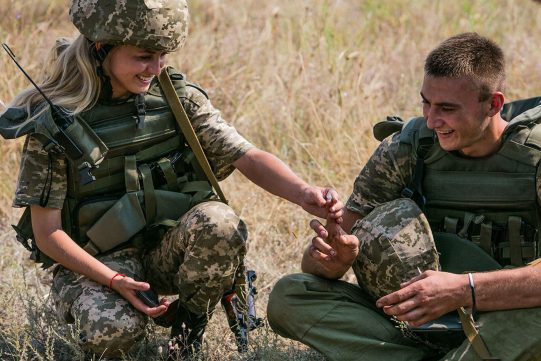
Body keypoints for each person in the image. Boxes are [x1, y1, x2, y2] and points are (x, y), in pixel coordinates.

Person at [0, 0, 343, 359]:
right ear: (102, 48)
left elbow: (246, 155)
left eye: (163, 55)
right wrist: (114, 281)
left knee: (221, 224)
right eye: (144, 56)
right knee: (113, 331)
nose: (156, 68)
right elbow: (48, 234)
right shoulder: (56, 125)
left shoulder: (176, 99)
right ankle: (94, 313)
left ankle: (185, 340)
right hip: (96, 262)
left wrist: (304, 192)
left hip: (166, 249)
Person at [267, 32, 541, 361]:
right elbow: (321, 259)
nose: (431, 119)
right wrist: (333, 261)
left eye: (447, 108)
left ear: (493, 104)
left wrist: (462, 290)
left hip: (510, 313)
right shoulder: (409, 149)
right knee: (292, 295)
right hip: (420, 322)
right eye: (426, 102)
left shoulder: (534, 159)